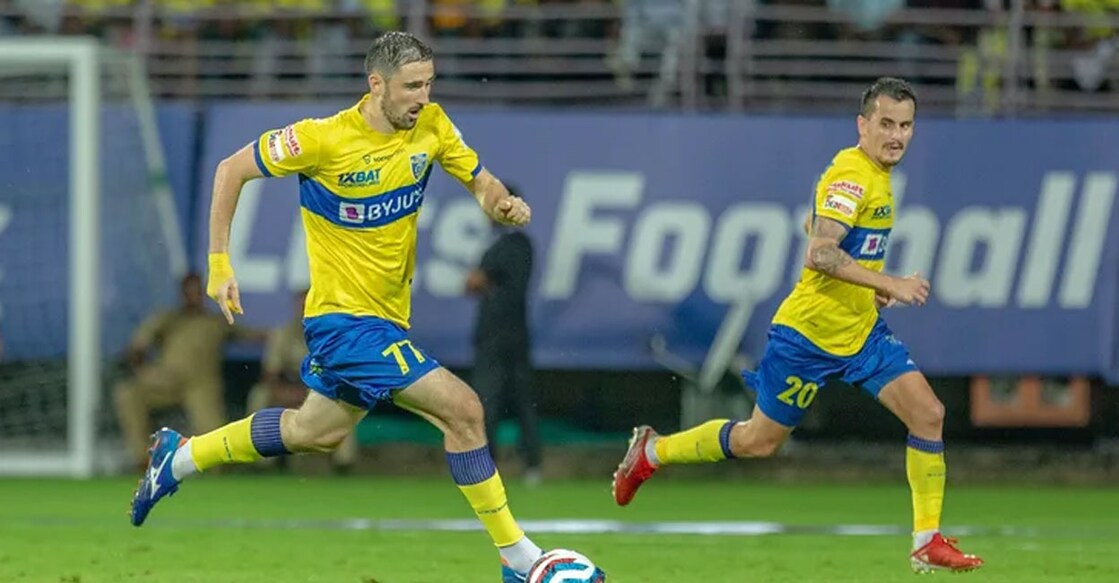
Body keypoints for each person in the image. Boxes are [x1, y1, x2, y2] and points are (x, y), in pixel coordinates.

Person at [127, 31, 584, 583]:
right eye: (412, 86)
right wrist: (219, 262)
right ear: (376, 85)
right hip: (343, 323)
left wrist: (502, 205)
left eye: (430, 83)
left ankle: (177, 459)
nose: (423, 96)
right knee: (463, 410)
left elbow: (482, 185)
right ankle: (520, 560)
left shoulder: (433, 126)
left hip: (386, 317)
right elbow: (230, 170)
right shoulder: (322, 140)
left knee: (311, 432)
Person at [611, 77, 984, 574]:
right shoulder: (853, 173)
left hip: (860, 333)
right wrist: (889, 282)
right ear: (863, 124)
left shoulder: (873, 174)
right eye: (886, 124)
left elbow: (818, 228)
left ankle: (926, 540)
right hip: (807, 337)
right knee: (757, 442)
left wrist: (865, 287)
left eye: (906, 125)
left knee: (929, 415)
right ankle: (653, 451)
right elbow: (820, 252)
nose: (897, 135)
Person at [114, 273, 259, 470]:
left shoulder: (216, 321)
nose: (193, 296)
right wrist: (143, 371)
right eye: (188, 291)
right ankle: (143, 459)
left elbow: (252, 335)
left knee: (213, 442)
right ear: (182, 293)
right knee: (127, 394)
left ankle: (217, 470)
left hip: (201, 386)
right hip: (166, 381)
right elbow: (138, 347)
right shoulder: (168, 319)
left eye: (197, 291)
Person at [464, 187, 541, 486]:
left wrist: (483, 283)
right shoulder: (520, 245)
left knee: (490, 401)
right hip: (514, 334)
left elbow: (473, 282)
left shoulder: (511, 244)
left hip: (498, 337)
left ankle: (489, 465)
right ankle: (530, 465)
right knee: (521, 402)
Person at [245, 289, 359, 474]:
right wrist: (282, 392)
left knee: (347, 401)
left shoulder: (332, 334)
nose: (305, 310)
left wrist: (308, 393)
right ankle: (262, 463)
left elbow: (339, 375)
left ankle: (344, 464)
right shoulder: (283, 332)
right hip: (288, 386)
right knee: (259, 394)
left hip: (321, 389)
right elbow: (270, 373)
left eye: (309, 305)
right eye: (301, 305)